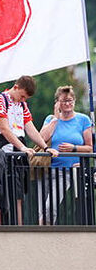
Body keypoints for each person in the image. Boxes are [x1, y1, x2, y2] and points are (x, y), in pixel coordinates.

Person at [0, 75, 57, 224]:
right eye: (22, 96)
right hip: (4, 146)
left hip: (19, 147)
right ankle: (0, 230)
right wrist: (22, 147)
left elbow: (30, 127)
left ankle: (19, 230)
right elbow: (4, 128)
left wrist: (45, 147)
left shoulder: (22, 105)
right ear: (16, 87)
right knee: (4, 196)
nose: (22, 100)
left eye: (25, 98)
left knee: (19, 195)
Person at [38, 85, 91, 224]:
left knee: (50, 207)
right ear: (57, 103)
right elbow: (42, 138)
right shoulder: (51, 119)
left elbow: (89, 148)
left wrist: (74, 148)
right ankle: (41, 237)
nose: (67, 104)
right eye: (64, 101)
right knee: (41, 209)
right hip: (46, 169)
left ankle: (45, 235)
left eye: (70, 100)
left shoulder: (83, 120)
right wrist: (55, 118)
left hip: (66, 171)